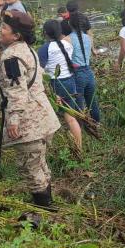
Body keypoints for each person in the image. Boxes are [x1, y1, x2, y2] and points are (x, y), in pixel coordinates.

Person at [0, 10, 61, 207]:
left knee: (30, 167)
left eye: (4, 28)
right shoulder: (28, 50)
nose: (0, 30)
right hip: (43, 117)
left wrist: (13, 119)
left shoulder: (11, 57)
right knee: (39, 163)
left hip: (29, 121)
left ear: (16, 35)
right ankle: (47, 201)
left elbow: (17, 91)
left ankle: (44, 208)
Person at [39, 20, 84, 158]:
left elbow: (40, 70)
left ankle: (46, 150)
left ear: (45, 33)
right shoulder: (68, 44)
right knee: (70, 118)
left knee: (47, 116)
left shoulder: (45, 49)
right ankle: (79, 149)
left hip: (55, 84)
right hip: (70, 81)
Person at [69, 11, 101, 125]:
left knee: (79, 102)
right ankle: (97, 124)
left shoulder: (68, 39)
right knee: (92, 101)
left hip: (77, 74)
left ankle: (81, 127)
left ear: (70, 24)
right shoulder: (88, 38)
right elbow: (93, 51)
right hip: (88, 72)